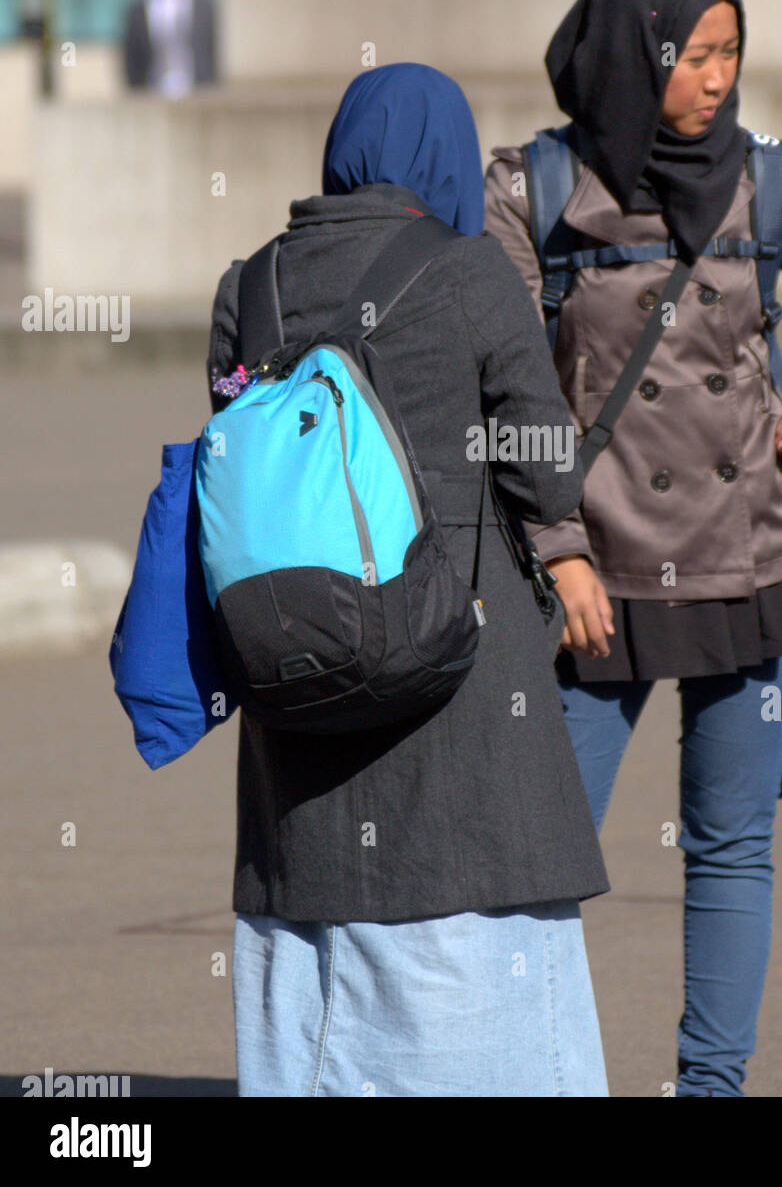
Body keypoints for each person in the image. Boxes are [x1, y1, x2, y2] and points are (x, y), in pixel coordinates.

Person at [483, 0, 782, 1097]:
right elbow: (507, 385)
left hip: (757, 556)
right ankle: (530, 1074)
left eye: (730, 53)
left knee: (732, 848)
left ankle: (709, 1090)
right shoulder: (531, 187)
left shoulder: (769, 176)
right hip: (598, 572)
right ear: (632, 51)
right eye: (693, 54)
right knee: (539, 854)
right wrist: (557, 549)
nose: (717, 79)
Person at [206, 63, 610, 1097]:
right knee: (469, 923)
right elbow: (542, 459)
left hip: (291, 660)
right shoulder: (466, 269)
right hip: (454, 669)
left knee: (318, 943)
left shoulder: (248, 285)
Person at [123, 0, 217, 96]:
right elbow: (131, 59)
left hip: (199, 92)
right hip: (152, 92)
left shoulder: (206, 6)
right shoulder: (137, 9)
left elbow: (213, 49)